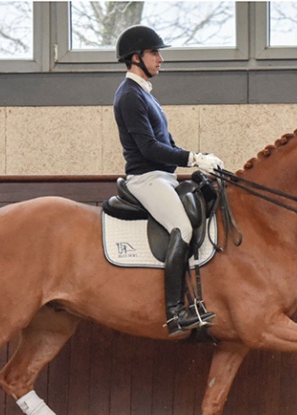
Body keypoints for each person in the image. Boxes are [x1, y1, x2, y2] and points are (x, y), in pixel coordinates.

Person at [113, 25, 224, 337]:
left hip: (163, 176)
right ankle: (175, 313)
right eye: (154, 53)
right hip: (146, 179)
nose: (160, 59)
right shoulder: (130, 96)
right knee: (183, 228)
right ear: (136, 58)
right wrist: (192, 158)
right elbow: (149, 148)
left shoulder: (145, 95)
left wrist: (198, 162)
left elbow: (168, 145)